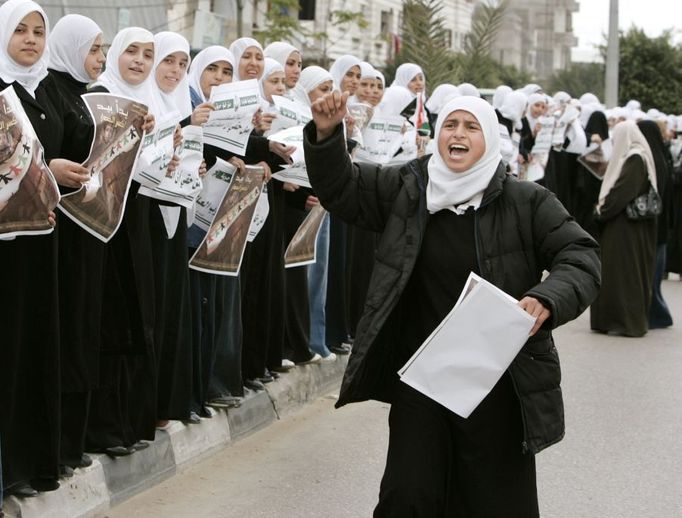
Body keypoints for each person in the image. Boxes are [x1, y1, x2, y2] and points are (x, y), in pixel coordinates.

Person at [304, 92, 600, 516]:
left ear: (490, 139)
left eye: (471, 127)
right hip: (421, 376)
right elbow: (343, 188)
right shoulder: (408, 187)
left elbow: (582, 257)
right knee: (408, 495)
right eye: (450, 125)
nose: (458, 134)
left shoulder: (526, 201)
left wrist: (545, 297)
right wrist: (327, 135)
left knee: (491, 498)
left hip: (496, 380)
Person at [46, 12, 104, 476]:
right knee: (62, 330)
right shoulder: (50, 91)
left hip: (91, 230)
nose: (99, 59)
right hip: (59, 230)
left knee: (84, 327)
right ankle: (57, 444)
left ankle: (73, 439)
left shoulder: (92, 97)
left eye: (103, 49)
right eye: (93, 49)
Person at [591, 120, 657, 337]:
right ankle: (612, 321)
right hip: (626, 228)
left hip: (626, 229)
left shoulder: (635, 158)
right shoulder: (634, 157)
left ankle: (627, 323)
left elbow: (622, 192)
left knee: (624, 275)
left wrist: (602, 210)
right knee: (618, 274)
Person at [637, 119, 673, 329]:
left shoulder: (651, 161)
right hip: (663, 225)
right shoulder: (660, 156)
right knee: (654, 275)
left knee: (651, 275)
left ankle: (659, 315)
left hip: (654, 226)